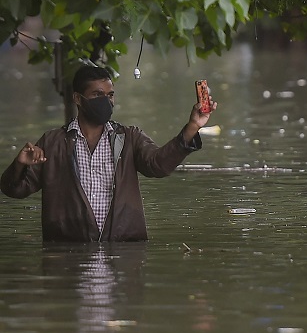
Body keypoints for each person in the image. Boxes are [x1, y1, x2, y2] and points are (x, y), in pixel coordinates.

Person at [1, 65, 217, 242]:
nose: (106, 100)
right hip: (67, 252)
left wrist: (193, 126)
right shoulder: (53, 142)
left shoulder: (129, 137)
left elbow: (158, 165)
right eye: (97, 94)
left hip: (123, 251)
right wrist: (20, 164)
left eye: (110, 95)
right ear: (77, 98)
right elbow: (14, 189)